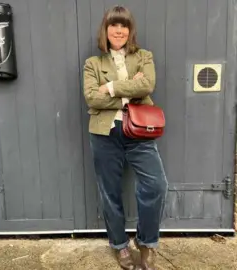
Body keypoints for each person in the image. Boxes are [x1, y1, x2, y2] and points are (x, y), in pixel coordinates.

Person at [82, 6, 168, 270]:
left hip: (140, 132)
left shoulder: (143, 56)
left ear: (130, 31)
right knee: (110, 193)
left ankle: (147, 243)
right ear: (105, 30)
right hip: (105, 134)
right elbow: (91, 98)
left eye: (123, 26)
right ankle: (119, 245)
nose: (118, 31)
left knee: (156, 186)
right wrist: (129, 92)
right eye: (113, 25)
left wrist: (109, 88)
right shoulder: (93, 63)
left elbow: (147, 85)